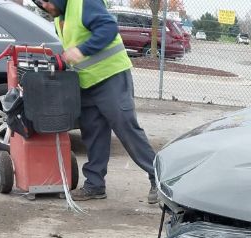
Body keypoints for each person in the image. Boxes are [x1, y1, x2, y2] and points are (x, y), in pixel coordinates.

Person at [33, 0, 158, 204]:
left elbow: (108, 28)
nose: (45, 6)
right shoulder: (59, 17)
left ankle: (159, 179)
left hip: (111, 75)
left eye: (46, 1)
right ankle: (94, 185)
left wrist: (82, 50)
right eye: (40, 3)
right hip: (86, 81)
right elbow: (72, 47)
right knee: (93, 133)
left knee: (126, 127)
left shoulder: (84, 3)